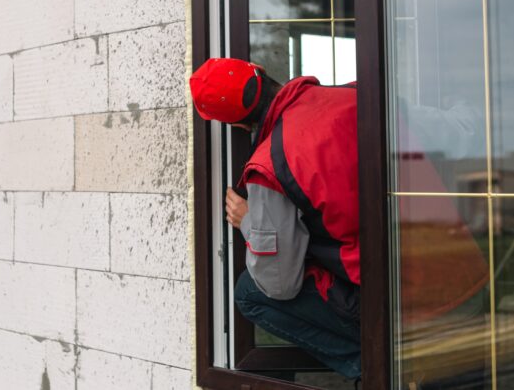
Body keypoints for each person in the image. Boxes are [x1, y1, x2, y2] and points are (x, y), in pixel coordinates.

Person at [190, 57, 491, 382]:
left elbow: (280, 283)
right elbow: (463, 131)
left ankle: (380, 365)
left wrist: (249, 222)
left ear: (235, 126)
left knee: (250, 292)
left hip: (410, 307)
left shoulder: (268, 166)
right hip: (468, 279)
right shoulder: (361, 97)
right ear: (260, 71)